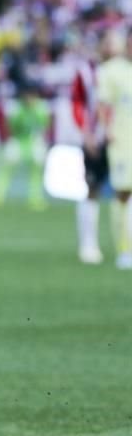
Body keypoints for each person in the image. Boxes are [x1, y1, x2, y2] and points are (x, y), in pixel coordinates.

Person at [94, 29, 132, 270]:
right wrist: (105, 130)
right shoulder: (111, 70)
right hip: (122, 142)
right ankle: (124, 248)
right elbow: (102, 104)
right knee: (124, 194)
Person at [71, 49, 109, 264]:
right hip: (95, 139)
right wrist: (86, 133)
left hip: (122, 140)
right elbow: (77, 103)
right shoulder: (86, 73)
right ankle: (88, 243)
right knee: (91, 188)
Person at [0, 82, 51, 210]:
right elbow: (11, 127)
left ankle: (35, 198)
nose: (29, 99)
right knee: (6, 168)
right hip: (18, 141)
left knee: (37, 171)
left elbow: (44, 126)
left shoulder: (41, 109)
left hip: (34, 142)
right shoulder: (17, 109)